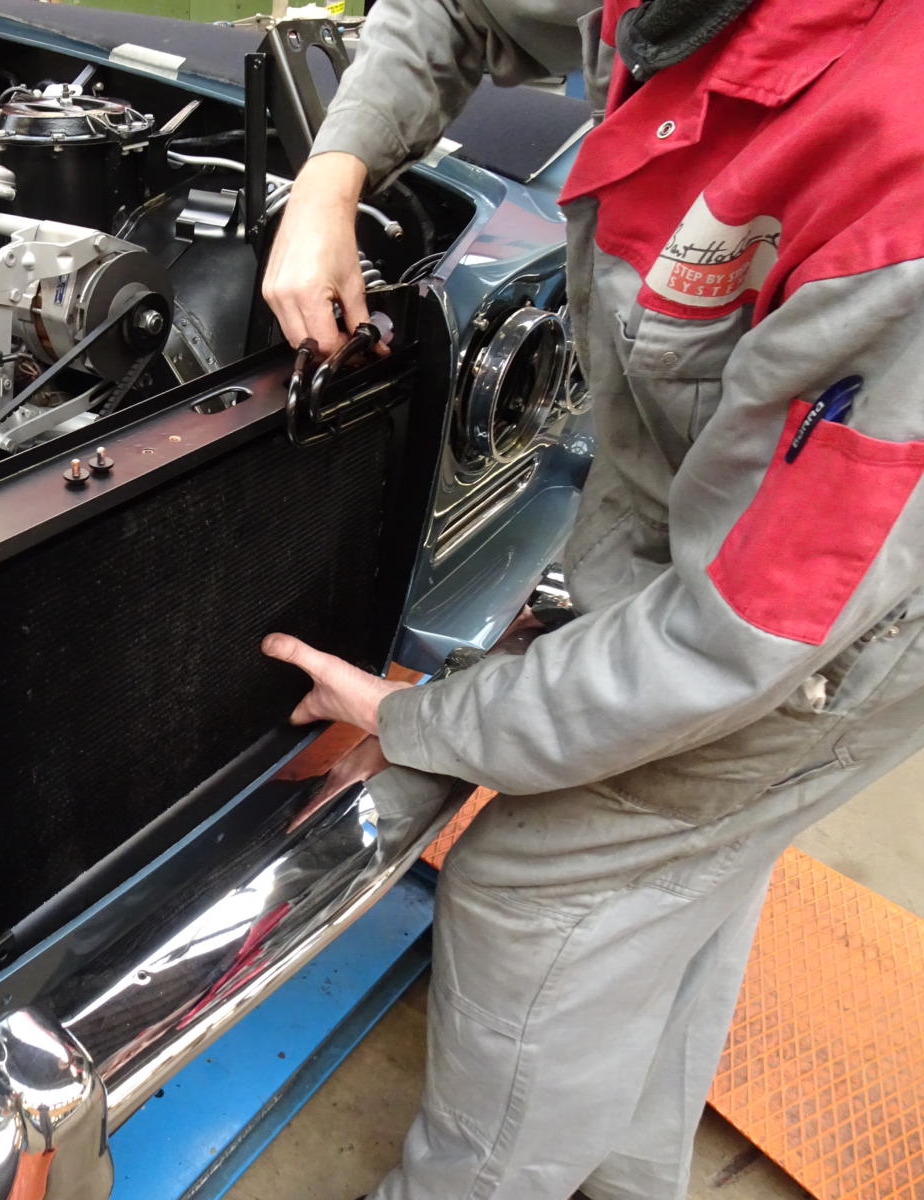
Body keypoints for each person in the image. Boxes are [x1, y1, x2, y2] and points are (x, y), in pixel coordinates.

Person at [259, 0, 924, 1198]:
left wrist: (418, 718)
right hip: (697, 529)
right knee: (674, 889)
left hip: (840, 633)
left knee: (539, 892)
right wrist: (330, 176)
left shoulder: (898, 191)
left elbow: (736, 638)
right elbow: (456, 7)